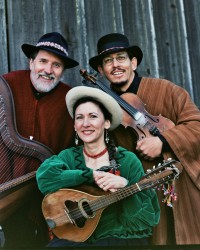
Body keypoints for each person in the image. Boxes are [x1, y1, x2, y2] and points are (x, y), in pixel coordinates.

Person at [88, 33, 200, 245]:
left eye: (121, 58)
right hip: (144, 195)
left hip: (182, 187)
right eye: (108, 61)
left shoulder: (166, 90)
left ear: (133, 62)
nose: (115, 65)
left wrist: (163, 141)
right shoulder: (103, 109)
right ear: (101, 70)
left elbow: (197, 125)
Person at [36, 86, 160, 247]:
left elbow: (142, 221)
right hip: (76, 238)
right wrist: (89, 175)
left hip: (119, 238)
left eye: (93, 116)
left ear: (106, 123)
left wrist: (126, 187)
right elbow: (45, 179)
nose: (85, 123)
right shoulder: (68, 157)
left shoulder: (127, 160)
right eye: (79, 118)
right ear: (74, 126)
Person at [1, 32, 79, 247]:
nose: (48, 70)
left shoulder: (70, 99)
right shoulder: (7, 85)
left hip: (45, 191)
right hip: (7, 185)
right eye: (43, 61)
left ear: (62, 71)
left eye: (57, 65)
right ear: (31, 61)